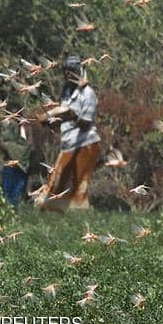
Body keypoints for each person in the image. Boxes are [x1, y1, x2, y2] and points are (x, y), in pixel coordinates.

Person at [34, 55, 102, 211]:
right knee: (59, 182)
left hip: (85, 143)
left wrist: (62, 115)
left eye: (70, 72)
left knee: (76, 185)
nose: (67, 75)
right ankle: (59, 214)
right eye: (66, 72)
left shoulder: (88, 94)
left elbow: (84, 122)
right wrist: (51, 121)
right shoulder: (67, 91)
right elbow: (64, 114)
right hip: (69, 143)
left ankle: (77, 217)